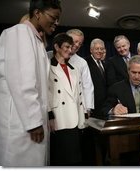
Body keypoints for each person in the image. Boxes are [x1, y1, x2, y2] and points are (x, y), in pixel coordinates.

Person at [0, 0, 61, 166]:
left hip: (29, 120)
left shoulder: (35, 40)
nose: (56, 22)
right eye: (53, 17)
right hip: (20, 123)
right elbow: (23, 79)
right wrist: (33, 122)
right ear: (37, 13)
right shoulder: (20, 32)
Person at [48, 33, 86, 166]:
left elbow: (80, 95)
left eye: (71, 47)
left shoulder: (74, 69)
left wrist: (83, 117)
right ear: (57, 47)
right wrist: (49, 116)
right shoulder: (48, 66)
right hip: (58, 119)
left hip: (75, 117)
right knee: (61, 159)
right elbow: (45, 93)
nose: (70, 50)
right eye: (66, 47)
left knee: (75, 159)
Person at [67, 29, 94, 117]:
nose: (77, 45)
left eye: (80, 43)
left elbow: (87, 87)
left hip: (76, 106)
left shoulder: (82, 62)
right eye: (75, 41)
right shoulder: (50, 56)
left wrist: (88, 108)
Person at [85, 38, 107, 118]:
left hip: (104, 107)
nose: (99, 51)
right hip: (92, 106)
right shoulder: (85, 62)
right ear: (91, 50)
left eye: (101, 49)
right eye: (97, 48)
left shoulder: (104, 63)